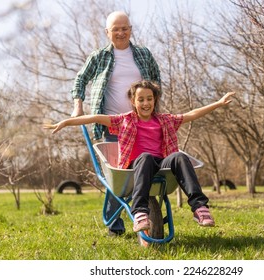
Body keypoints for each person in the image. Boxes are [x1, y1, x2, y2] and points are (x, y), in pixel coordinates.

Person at [45, 80, 236, 232]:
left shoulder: (165, 120)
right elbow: (94, 118)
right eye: (141, 99)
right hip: (137, 164)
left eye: (149, 99)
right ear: (133, 102)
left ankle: (199, 208)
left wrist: (219, 103)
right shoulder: (124, 120)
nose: (146, 103)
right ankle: (140, 212)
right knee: (144, 157)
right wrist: (66, 122)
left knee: (179, 157)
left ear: (155, 100)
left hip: (161, 163)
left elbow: (192, 114)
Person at [70, 11, 161, 236]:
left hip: (141, 124)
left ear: (130, 29)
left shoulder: (143, 54)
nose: (120, 33)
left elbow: (156, 82)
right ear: (107, 32)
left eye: (124, 28)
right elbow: (81, 78)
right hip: (113, 125)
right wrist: (78, 105)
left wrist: (156, 110)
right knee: (118, 173)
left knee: (142, 168)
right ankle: (115, 224)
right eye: (115, 29)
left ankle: (142, 211)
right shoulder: (99, 57)